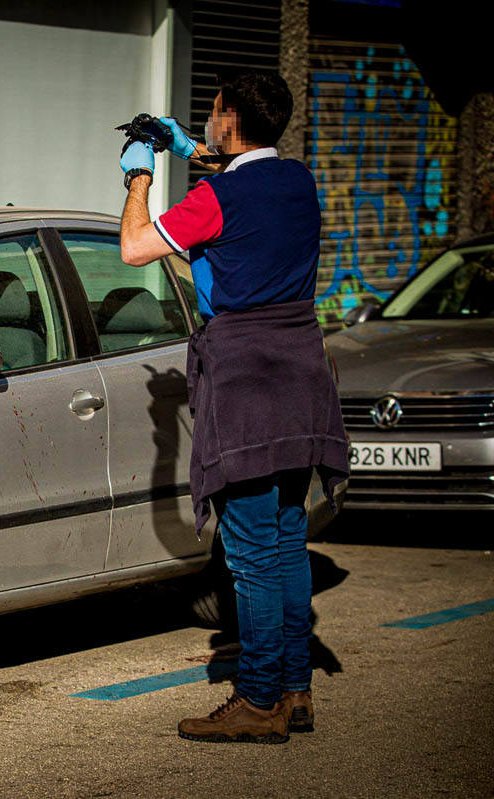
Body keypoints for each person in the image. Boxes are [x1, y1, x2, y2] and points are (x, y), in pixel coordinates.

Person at [116, 69, 349, 744]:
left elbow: (135, 247)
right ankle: (296, 690)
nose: (209, 121)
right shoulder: (299, 181)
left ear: (229, 118)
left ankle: (257, 699)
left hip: (246, 380)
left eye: (213, 113)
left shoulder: (218, 199)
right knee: (285, 541)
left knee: (248, 554)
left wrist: (138, 175)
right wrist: (191, 147)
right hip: (302, 374)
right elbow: (249, 176)